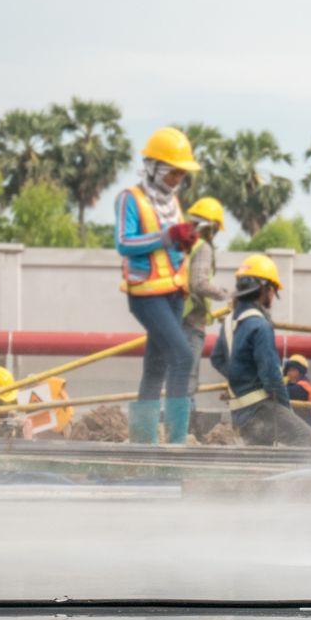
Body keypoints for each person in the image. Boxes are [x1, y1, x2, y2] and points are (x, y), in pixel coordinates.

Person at [116, 126, 203, 446]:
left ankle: (143, 443)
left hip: (173, 293)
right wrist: (167, 237)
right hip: (146, 295)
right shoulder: (130, 199)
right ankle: (176, 442)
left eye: (181, 175)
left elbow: (169, 247)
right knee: (181, 356)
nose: (177, 180)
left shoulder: (172, 203)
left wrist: (184, 243)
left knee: (156, 365)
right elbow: (125, 243)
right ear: (156, 169)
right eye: (173, 174)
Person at [211, 253, 311, 447]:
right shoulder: (260, 325)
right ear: (264, 289)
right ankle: (293, 479)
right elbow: (271, 375)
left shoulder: (229, 321)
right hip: (261, 409)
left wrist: (238, 378)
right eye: (273, 291)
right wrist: (285, 410)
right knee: (304, 436)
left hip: (240, 412)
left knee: (261, 455)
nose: (273, 297)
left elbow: (217, 358)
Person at [181, 196, 230, 405]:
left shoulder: (182, 244)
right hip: (191, 320)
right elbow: (199, 283)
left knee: (178, 374)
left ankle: (176, 425)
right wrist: (225, 294)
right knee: (187, 378)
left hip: (175, 316)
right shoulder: (202, 247)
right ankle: (183, 428)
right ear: (211, 227)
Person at [282, 355, 311, 428]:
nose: (290, 373)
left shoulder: (303, 387)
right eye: (288, 370)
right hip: (302, 424)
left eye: (293, 370)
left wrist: (277, 382)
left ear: (301, 372)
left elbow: (286, 393)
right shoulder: (292, 385)